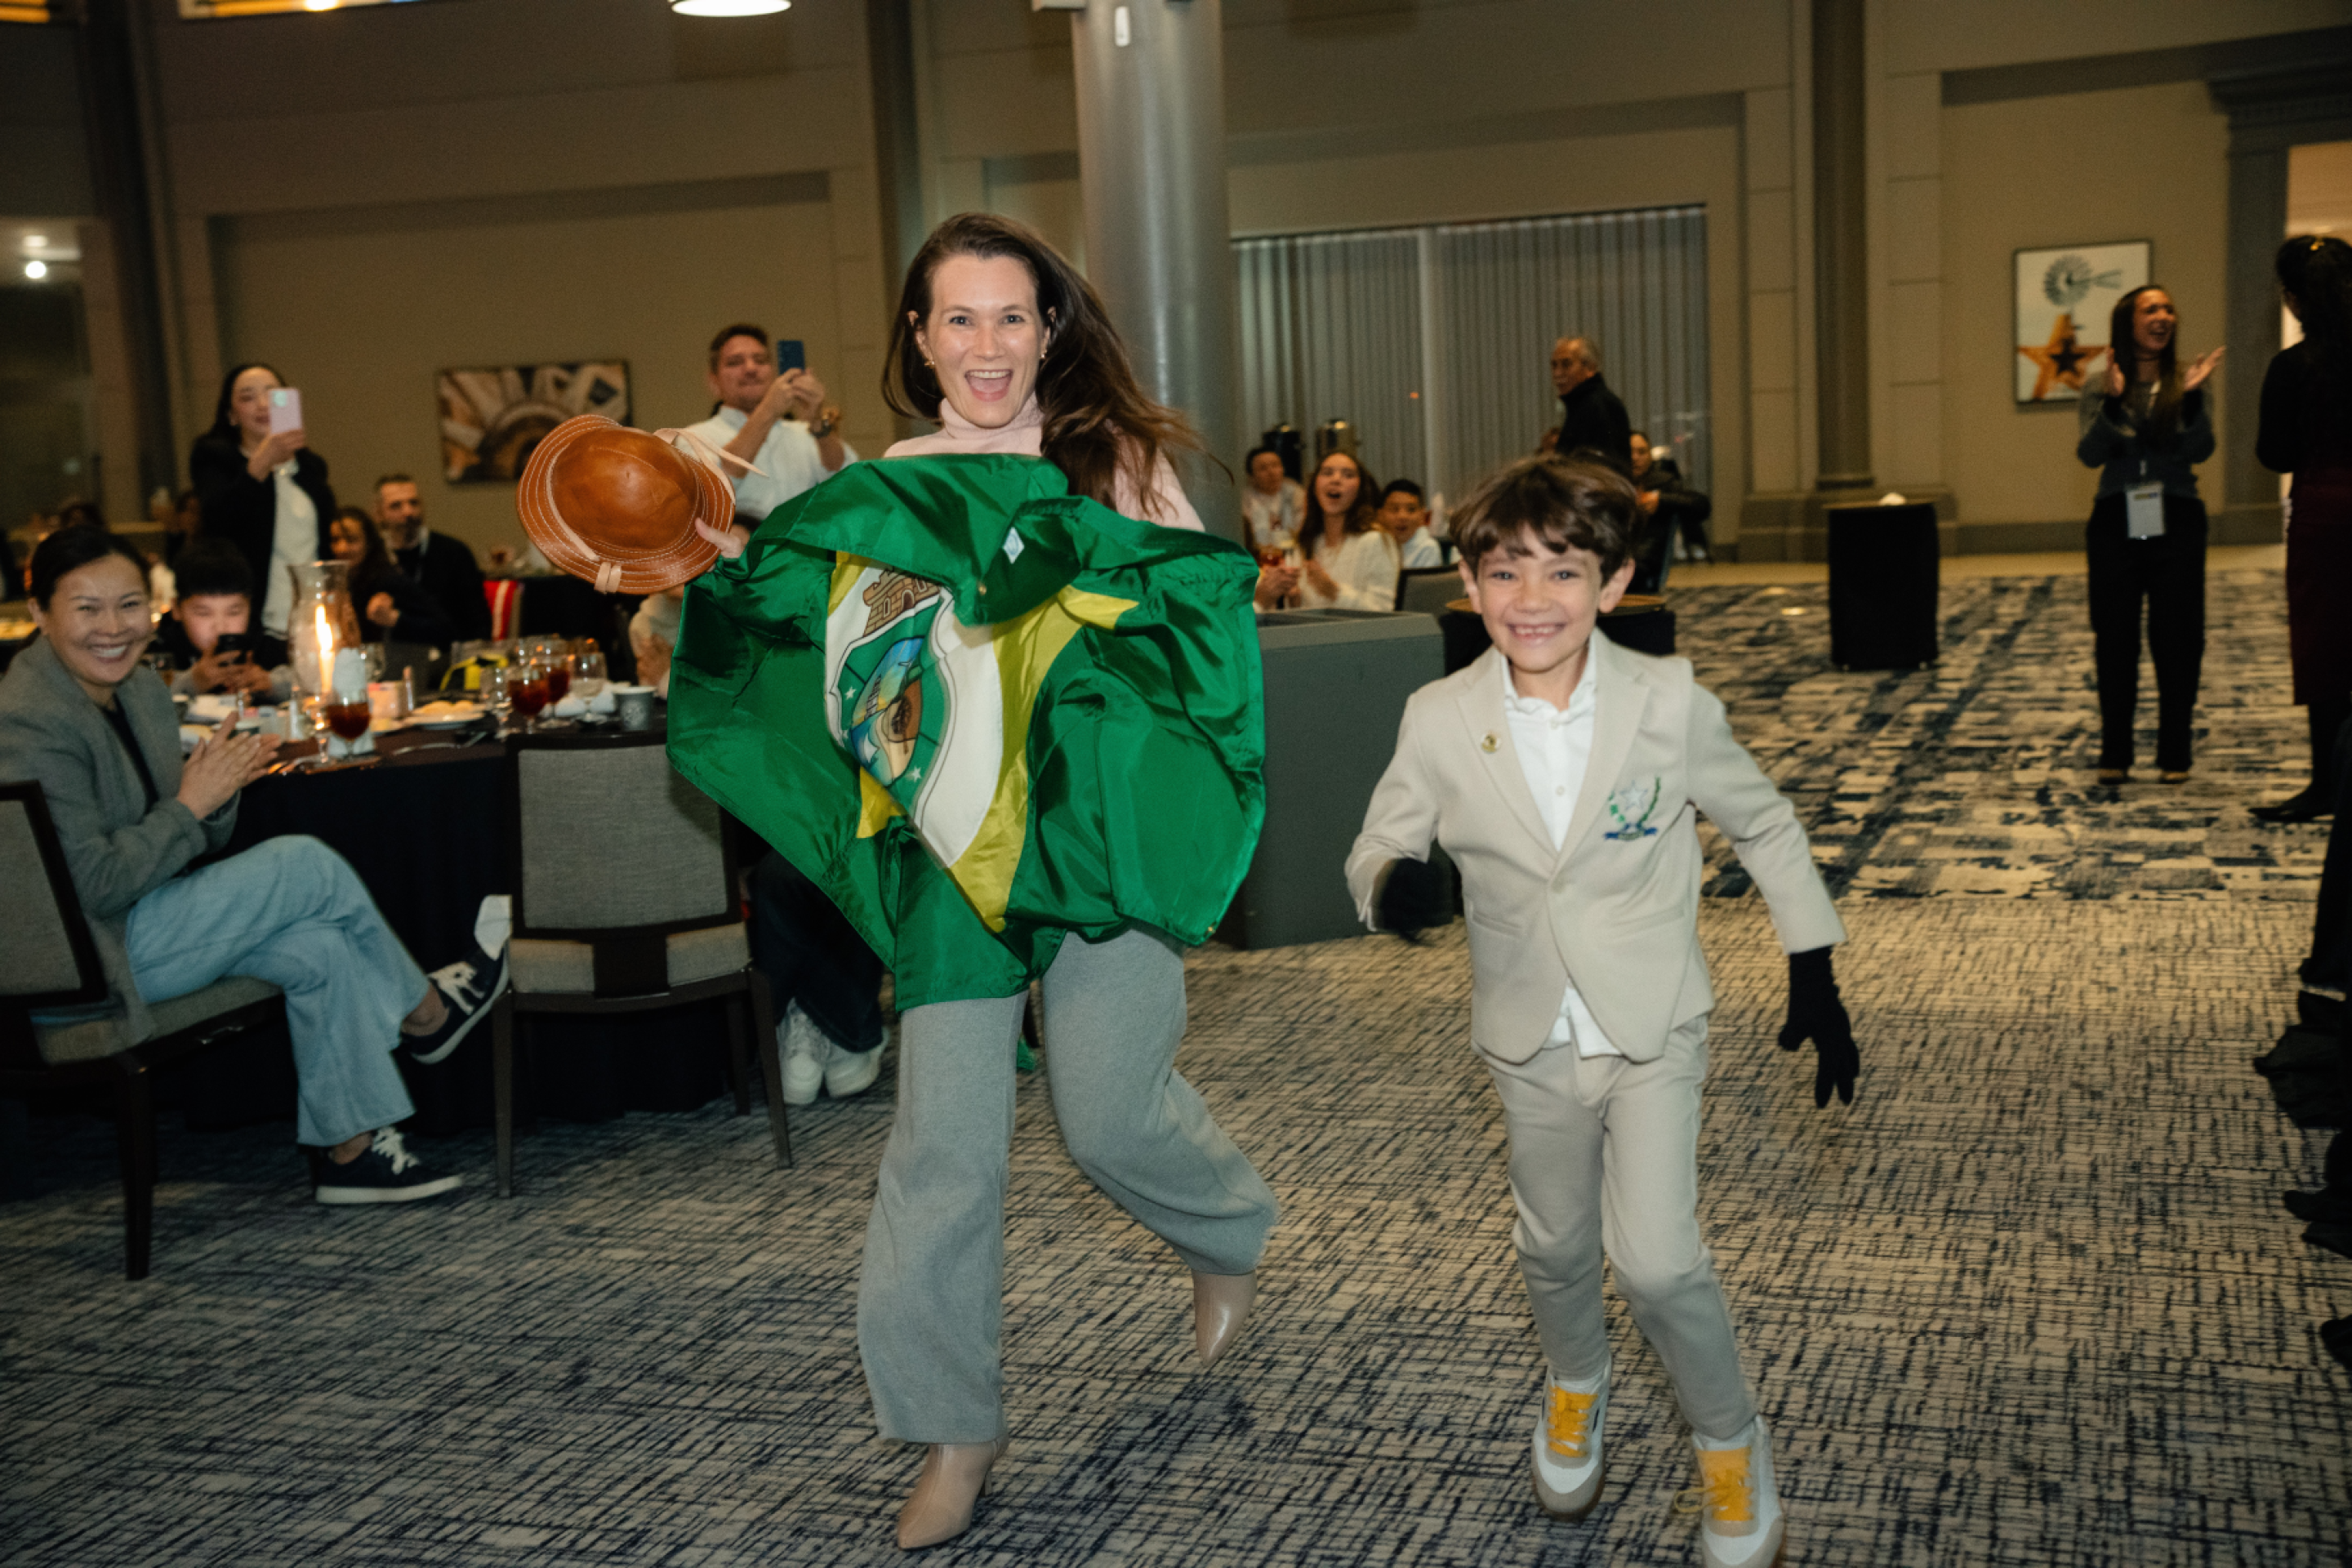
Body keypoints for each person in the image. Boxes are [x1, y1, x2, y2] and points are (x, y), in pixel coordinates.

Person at [671, 212, 1277, 1551]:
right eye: (961, 318)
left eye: (1014, 316)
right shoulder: (891, 483)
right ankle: (957, 1426)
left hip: (1091, 842)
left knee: (1108, 1116)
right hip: (954, 858)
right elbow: (866, 683)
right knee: (940, 1151)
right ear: (919, 336)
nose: (989, 344)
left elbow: (1189, 637)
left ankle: (1225, 1229)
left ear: (1050, 327)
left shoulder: (1109, 464)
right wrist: (738, 585)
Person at [1346, 456, 1856, 1568]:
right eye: (1505, 572)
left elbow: (1764, 826)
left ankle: (1730, 1443)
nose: (1533, 600)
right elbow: (1377, 842)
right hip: (1527, 1035)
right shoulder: (1439, 717)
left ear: (1615, 584)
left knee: (1662, 1258)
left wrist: (1813, 965)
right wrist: (1395, 883)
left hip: (1651, 1023)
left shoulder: (1668, 705)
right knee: (1556, 1243)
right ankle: (1576, 1376)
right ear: (1468, 588)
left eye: (1563, 573)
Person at [0, 528, 507, 1205]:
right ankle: (427, 1013)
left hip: (141, 920)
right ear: (39, 613)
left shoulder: (142, 693)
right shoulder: (28, 723)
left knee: (320, 943)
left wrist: (210, 798)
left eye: (127, 606)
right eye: (86, 608)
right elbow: (90, 887)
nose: (113, 628)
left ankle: (350, 1152)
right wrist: (191, 802)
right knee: (304, 865)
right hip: (86, 962)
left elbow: (187, 838)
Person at [2076, 285, 2225, 785]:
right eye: (2150, 309)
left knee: (2179, 638)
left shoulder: (2188, 382)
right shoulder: (2100, 383)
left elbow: (2200, 448)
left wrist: (2196, 398)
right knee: (2115, 637)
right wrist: (2115, 406)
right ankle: (2115, 750)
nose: (2163, 316)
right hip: (2116, 519)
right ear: (2128, 322)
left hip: (2177, 517)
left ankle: (2175, 753)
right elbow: (2091, 454)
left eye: (2168, 308)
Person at [2252, 236, 2352, 824]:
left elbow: (2274, 454)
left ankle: (2329, 787)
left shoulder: (2293, 366)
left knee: (2327, 651)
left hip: (2325, 511)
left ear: (2293, 299)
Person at [189, 363, 336, 639]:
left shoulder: (310, 467)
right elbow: (219, 520)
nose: (262, 405)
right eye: (247, 397)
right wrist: (262, 462)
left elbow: (323, 544)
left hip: (313, 618)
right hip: (256, 621)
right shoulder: (215, 460)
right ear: (232, 415)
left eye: (273, 395)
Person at [679, 325, 858, 530]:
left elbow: (849, 482)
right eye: (735, 362)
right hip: (738, 558)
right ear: (713, 381)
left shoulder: (804, 434)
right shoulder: (692, 438)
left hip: (805, 558)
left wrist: (818, 422)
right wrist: (768, 411)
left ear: (773, 372)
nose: (751, 369)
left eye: (761, 360)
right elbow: (713, 494)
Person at [148, 541, 292, 704]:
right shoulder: (157, 650)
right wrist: (192, 683)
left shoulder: (266, 644)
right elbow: (141, 696)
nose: (220, 627)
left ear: (250, 607)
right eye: (204, 613)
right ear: (176, 609)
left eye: (234, 612)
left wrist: (270, 684)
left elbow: (311, 681)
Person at [1262, 449, 1396, 611]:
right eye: (1327, 473)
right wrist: (1295, 602)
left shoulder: (1375, 541)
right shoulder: (1307, 542)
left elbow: (1383, 612)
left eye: (1347, 475)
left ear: (1360, 490)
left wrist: (1334, 592)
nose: (1336, 480)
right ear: (1314, 486)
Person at [374, 475, 490, 644]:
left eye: (414, 503)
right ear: (379, 514)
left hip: (450, 651)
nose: (408, 512)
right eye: (396, 506)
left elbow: (478, 621)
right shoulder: (376, 558)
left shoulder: (453, 552)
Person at [328, 507, 457, 649]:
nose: (341, 548)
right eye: (335, 540)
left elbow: (445, 629)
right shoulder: (341, 584)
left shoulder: (388, 581)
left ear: (369, 543)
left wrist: (395, 618)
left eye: (351, 540)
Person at [1539, 337, 1633, 474]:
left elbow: (1607, 467)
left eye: (1566, 364)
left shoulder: (1601, 405)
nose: (1557, 373)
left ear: (1590, 367)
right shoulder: (1580, 406)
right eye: (1554, 365)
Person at [1633, 430, 1713, 571]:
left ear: (1649, 455)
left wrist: (1660, 500)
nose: (1635, 457)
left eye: (1641, 452)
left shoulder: (1663, 482)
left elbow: (1702, 505)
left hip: (1646, 558)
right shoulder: (1611, 481)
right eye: (1630, 452)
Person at [1240, 444, 1307, 550]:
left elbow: (1303, 529)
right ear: (1251, 477)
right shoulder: (1244, 500)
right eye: (1263, 468)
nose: (1271, 472)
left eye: (1275, 465)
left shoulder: (1296, 493)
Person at [1378, 478, 1445, 568]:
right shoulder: (1375, 545)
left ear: (1422, 516)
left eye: (1411, 510)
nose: (1402, 516)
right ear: (1380, 515)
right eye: (1394, 509)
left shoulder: (1428, 548)